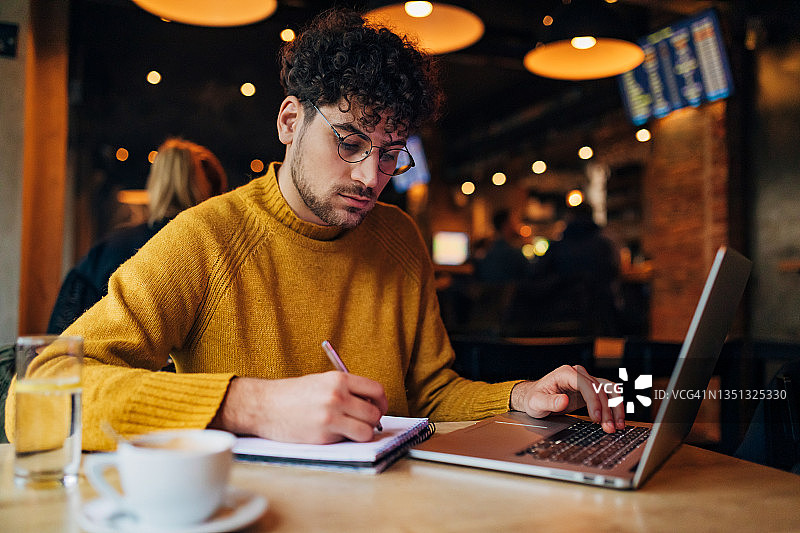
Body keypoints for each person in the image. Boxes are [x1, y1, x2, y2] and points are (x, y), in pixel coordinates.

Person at [6, 9, 623, 451]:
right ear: (289, 120)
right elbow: (39, 393)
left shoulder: (398, 237)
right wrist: (248, 405)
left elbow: (428, 395)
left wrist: (520, 397)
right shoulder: (209, 238)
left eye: (390, 153)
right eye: (349, 142)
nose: (369, 174)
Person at [46, 138, 228, 334]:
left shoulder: (109, 251)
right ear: (214, 193)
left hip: (110, 362)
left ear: (155, 184)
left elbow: (62, 334)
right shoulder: (223, 254)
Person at [528, 203, 622, 336]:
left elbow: (536, 276)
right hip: (599, 318)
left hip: (561, 319)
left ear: (569, 217)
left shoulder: (558, 247)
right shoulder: (603, 246)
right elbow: (613, 274)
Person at [474, 209, 529, 283]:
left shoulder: (488, 252)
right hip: (510, 293)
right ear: (506, 225)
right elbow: (529, 275)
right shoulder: (512, 254)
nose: (517, 225)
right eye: (514, 221)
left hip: (491, 293)